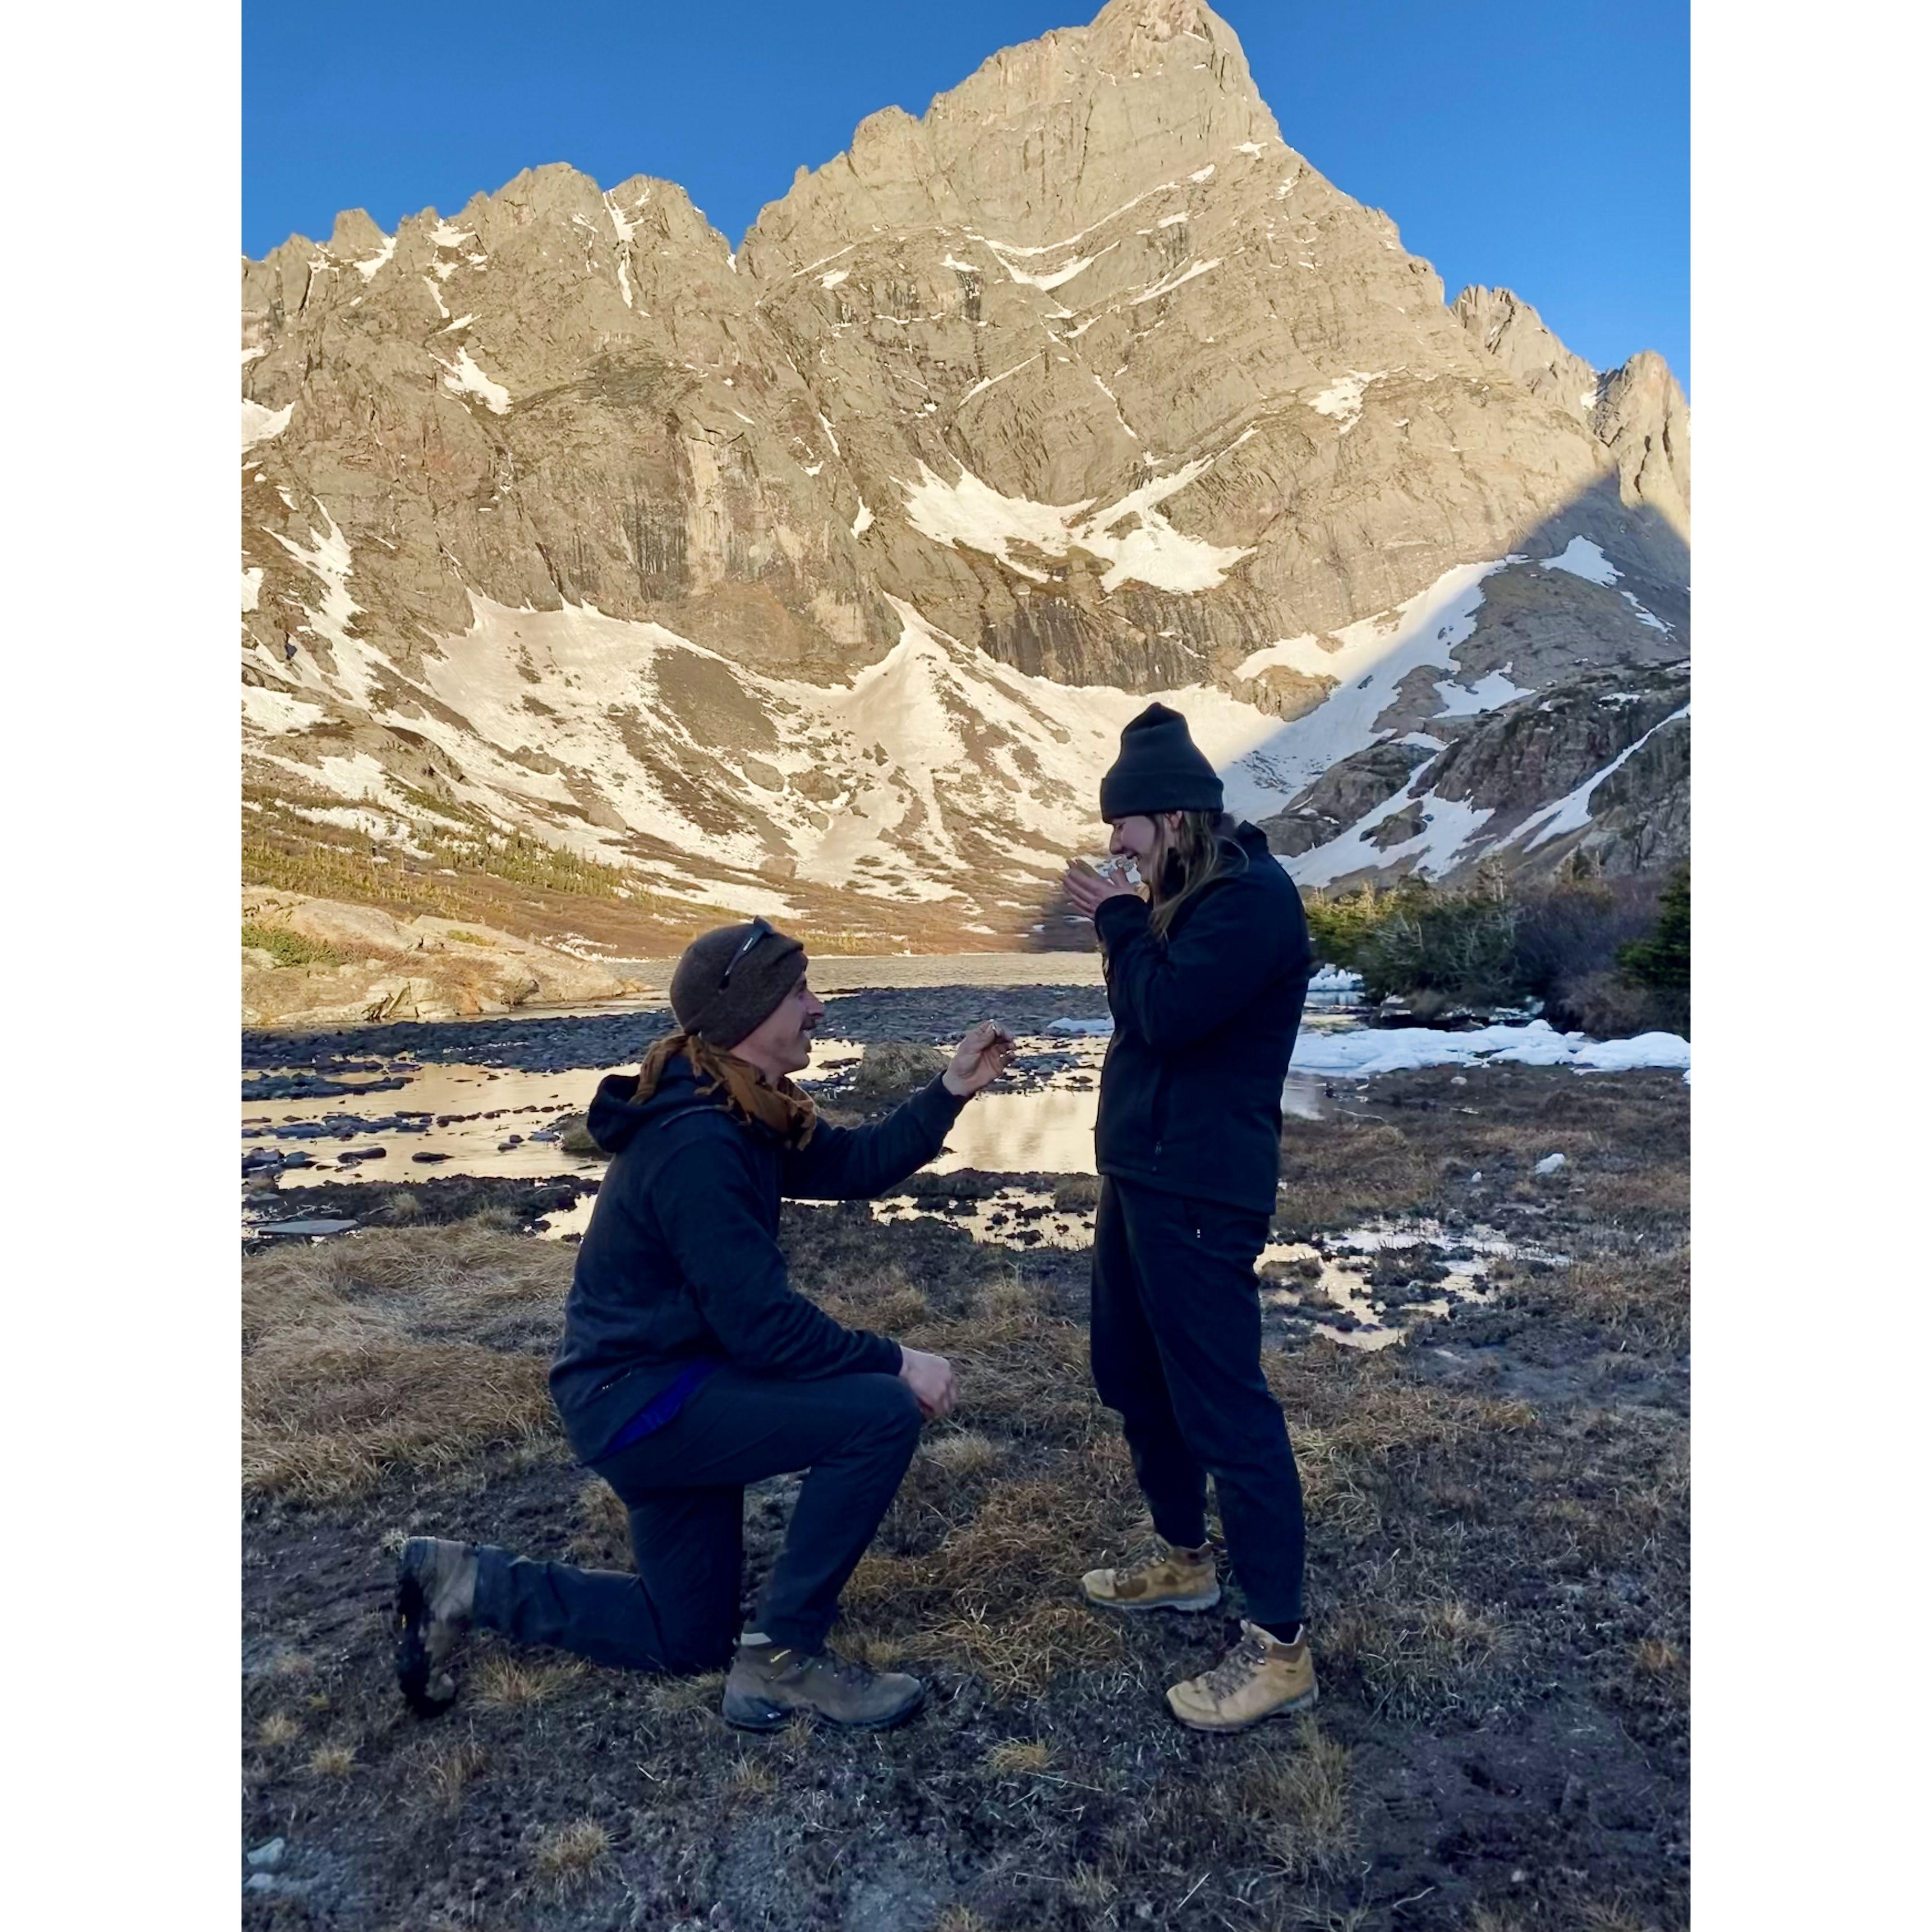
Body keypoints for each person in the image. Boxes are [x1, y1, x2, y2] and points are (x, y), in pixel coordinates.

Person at [394, 918, 1013, 1732]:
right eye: (798, 993)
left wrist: (950, 1090)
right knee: (879, 1414)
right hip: (645, 1404)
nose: (818, 1009)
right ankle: (784, 1658)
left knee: (684, 1638)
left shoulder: (738, 1103)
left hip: (668, 1387)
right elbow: (766, 1331)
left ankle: (463, 1581)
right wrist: (897, 1360)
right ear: (749, 1015)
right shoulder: (701, 1141)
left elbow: (854, 1164)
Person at [1061, 702, 1317, 1734]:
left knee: (1226, 1408)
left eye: (1123, 827)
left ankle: (1279, 1651)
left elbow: (1163, 1016)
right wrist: (1133, 923)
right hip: (1144, 1176)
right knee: (1133, 1377)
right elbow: (1153, 1012)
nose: (1111, 847)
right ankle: (1182, 1562)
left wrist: (1118, 922)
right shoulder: (1192, 894)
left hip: (1202, 1191)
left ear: (1170, 818)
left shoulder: (1250, 902)